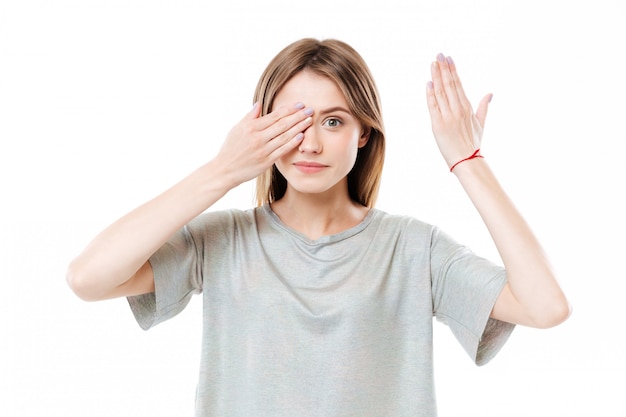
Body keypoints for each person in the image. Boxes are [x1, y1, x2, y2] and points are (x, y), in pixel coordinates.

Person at [66, 38, 570, 416]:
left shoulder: (414, 249)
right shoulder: (221, 241)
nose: (308, 143)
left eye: (333, 121)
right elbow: (89, 278)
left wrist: (468, 159)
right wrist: (223, 169)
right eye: (292, 121)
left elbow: (545, 307)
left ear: (364, 133)